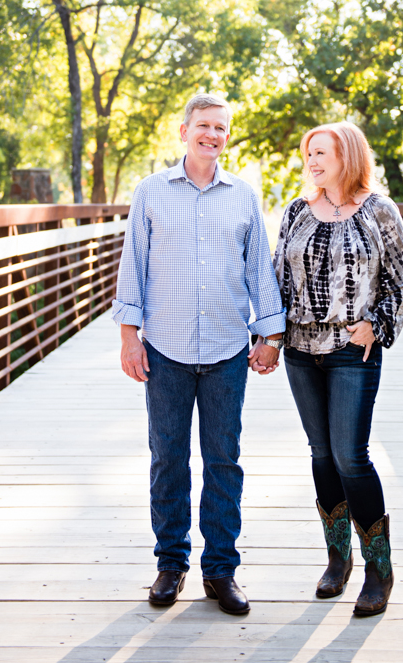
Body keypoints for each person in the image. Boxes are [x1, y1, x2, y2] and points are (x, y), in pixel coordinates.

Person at [112, 94, 285, 615]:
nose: (212, 134)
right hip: (164, 349)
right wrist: (128, 335)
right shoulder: (150, 192)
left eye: (221, 128)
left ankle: (221, 571)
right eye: (204, 125)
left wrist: (269, 337)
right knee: (167, 459)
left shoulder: (243, 197)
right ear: (183, 129)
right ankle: (170, 564)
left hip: (228, 350)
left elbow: (259, 270)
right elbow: (132, 265)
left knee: (223, 461)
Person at [272, 122, 403, 616]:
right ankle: (339, 560)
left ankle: (380, 568)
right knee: (320, 455)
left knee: (350, 456)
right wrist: (268, 338)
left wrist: (376, 324)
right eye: (308, 152)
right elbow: (276, 277)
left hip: (351, 352)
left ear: (347, 155)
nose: (312, 161)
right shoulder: (296, 211)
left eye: (321, 153)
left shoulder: (379, 210)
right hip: (300, 351)